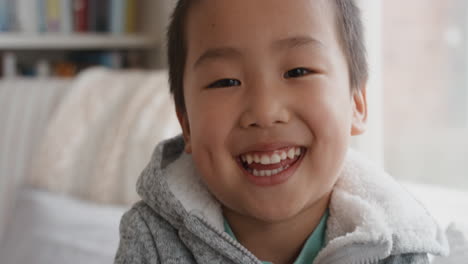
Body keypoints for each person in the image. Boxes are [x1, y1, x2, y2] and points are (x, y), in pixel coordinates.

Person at [115, 0, 449, 263]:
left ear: (357, 103)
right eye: (225, 81)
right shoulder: (150, 241)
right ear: (186, 124)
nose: (264, 111)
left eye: (298, 71)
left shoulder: (399, 244)